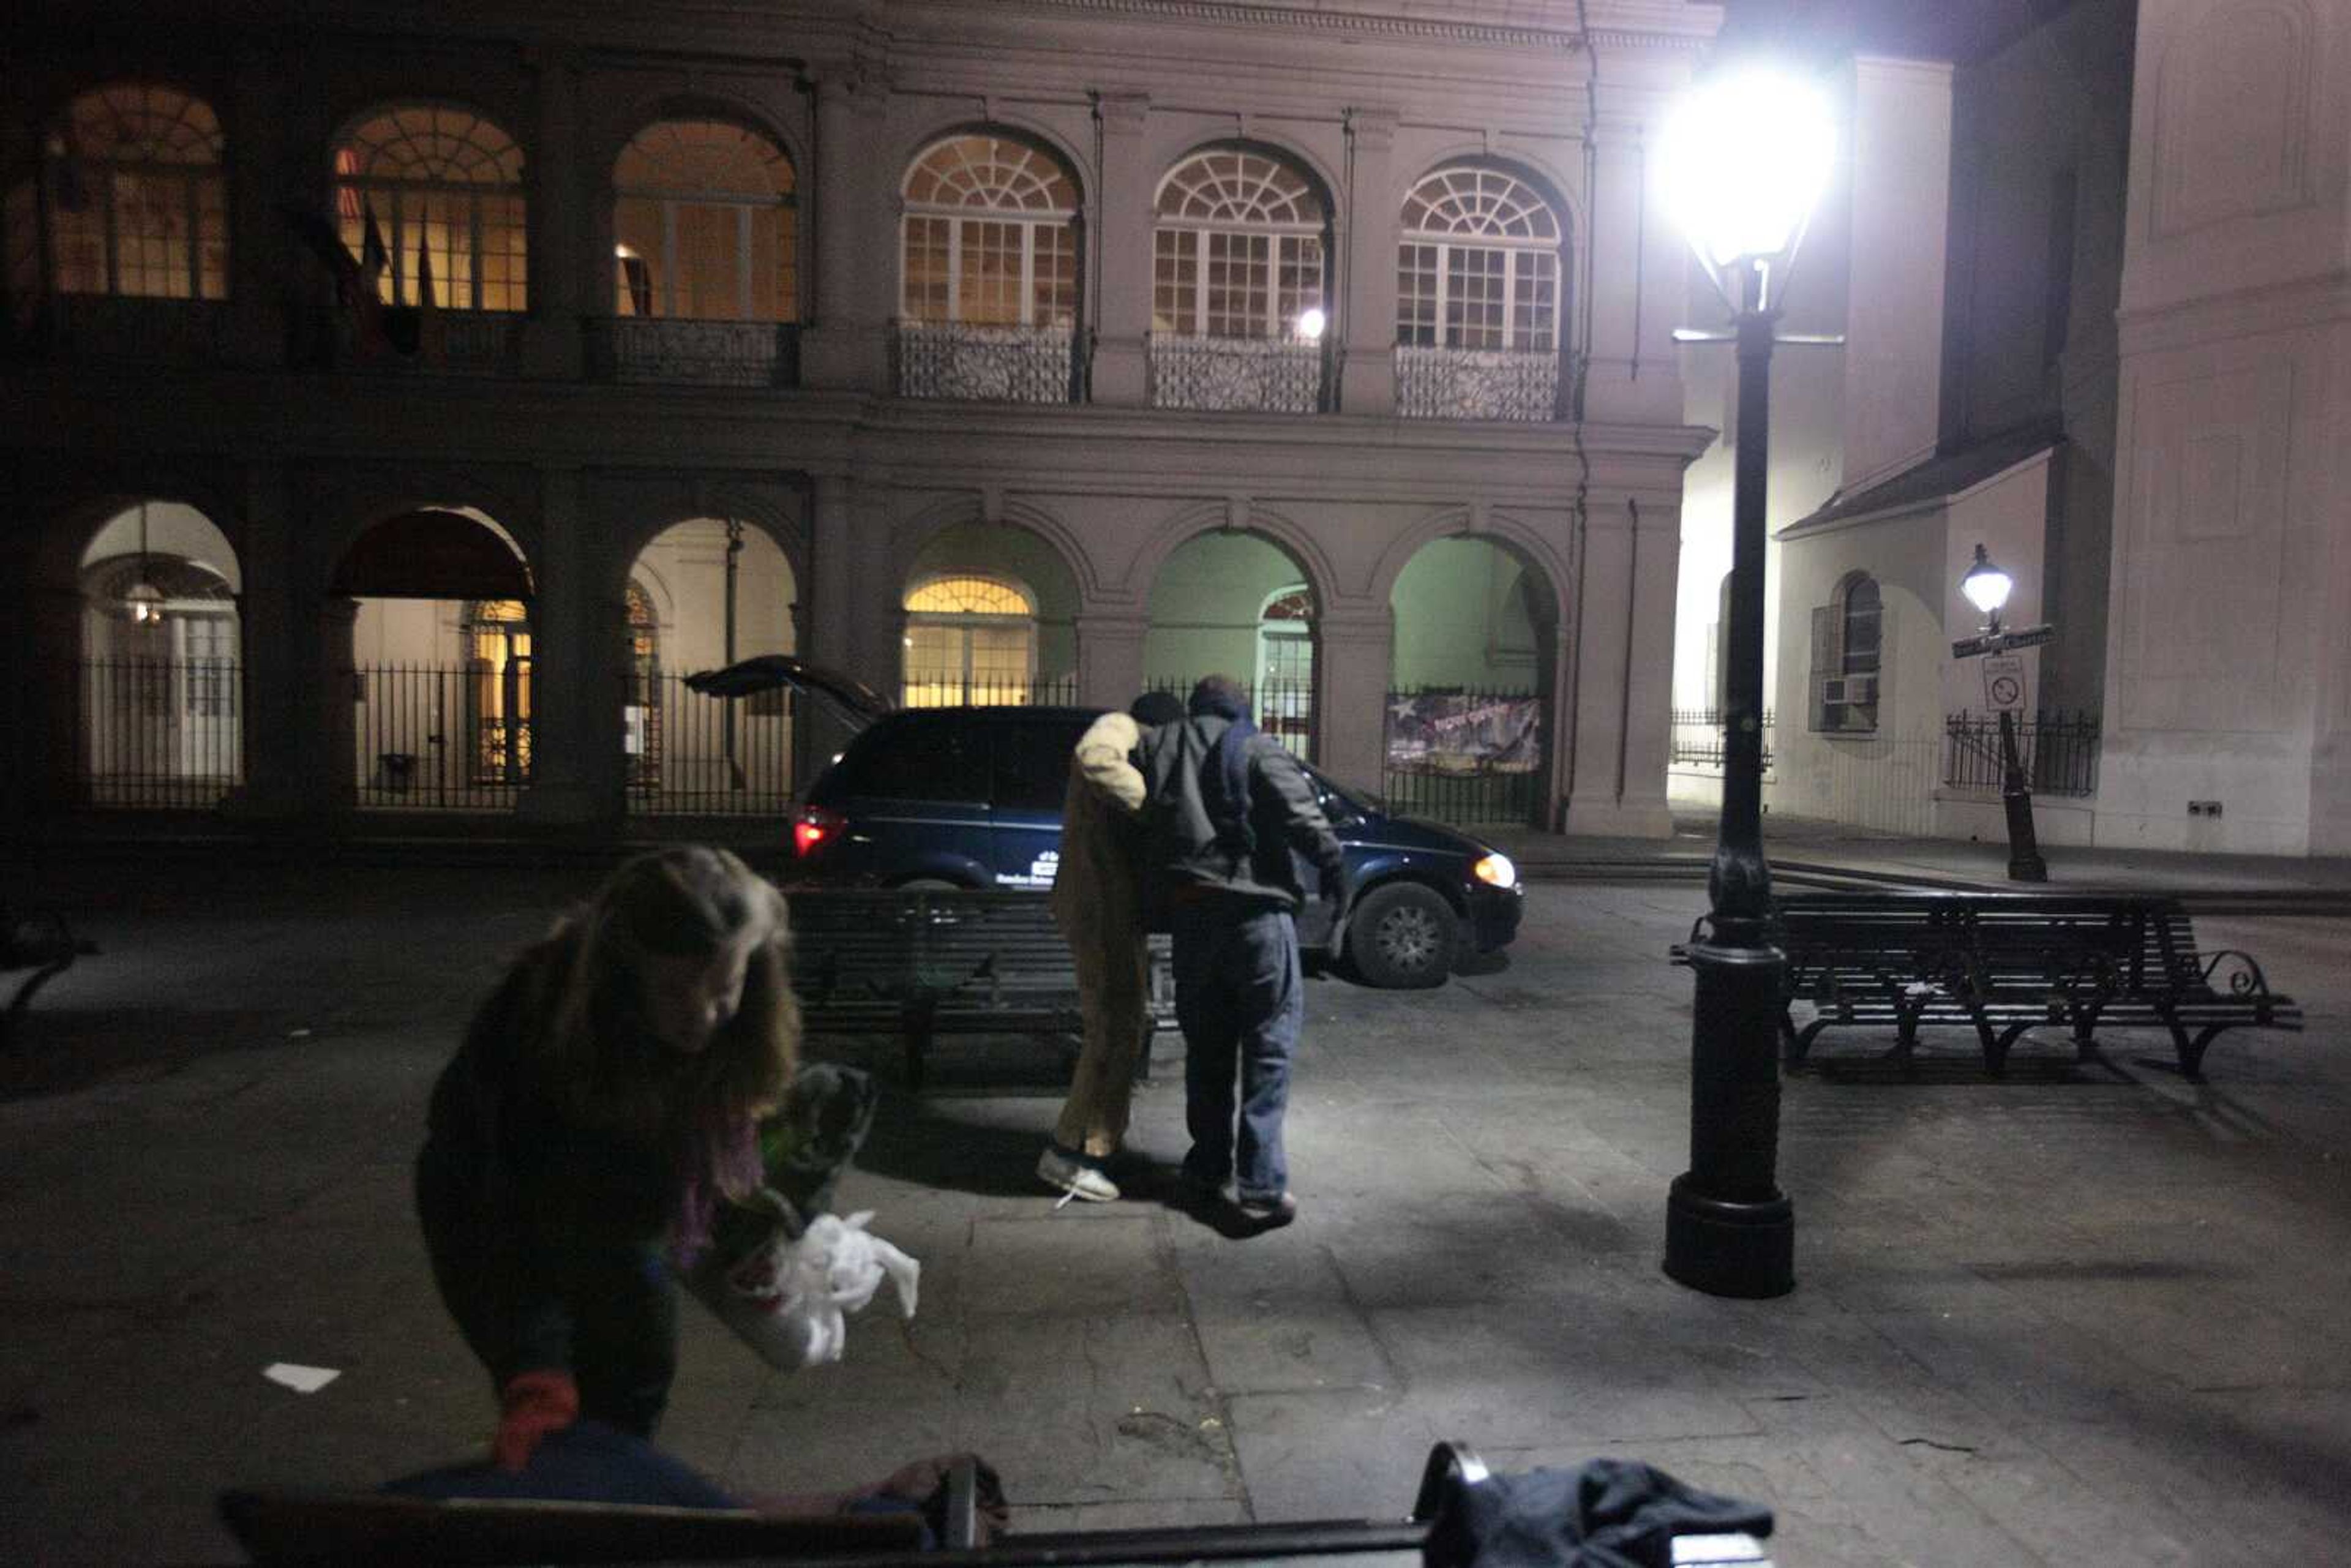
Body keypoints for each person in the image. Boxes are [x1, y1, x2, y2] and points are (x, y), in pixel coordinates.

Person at [414, 845, 799, 1470]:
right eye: (675, 990)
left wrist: (746, 1226)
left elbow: (709, 1152)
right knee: (567, 1399)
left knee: (638, 1370)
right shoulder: (538, 1039)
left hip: (619, 1209)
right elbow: (497, 1219)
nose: (701, 1017)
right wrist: (534, 1371)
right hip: (490, 1206)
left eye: (722, 988)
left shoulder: (746, 1012)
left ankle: (609, 1481)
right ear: (625, 970)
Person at [1137, 675, 1345, 1229]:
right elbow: (1304, 820)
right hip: (1257, 920)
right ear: (1238, 709)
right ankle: (1260, 1186)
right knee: (1268, 1051)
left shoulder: (1159, 745)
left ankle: (1206, 1168)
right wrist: (1332, 864)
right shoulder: (1254, 747)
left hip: (1192, 919)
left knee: (1206, 1053)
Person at [1037, 689, 1188, 1202]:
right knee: (1110, 1026)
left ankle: (1100, 1145)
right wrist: (1155, 807)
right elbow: (1095, 759)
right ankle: (1066, 1152)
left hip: (1111, 908)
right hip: (1098, 906)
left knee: (1126, 1024)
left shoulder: (1132, 735)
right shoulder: (1119, 728)